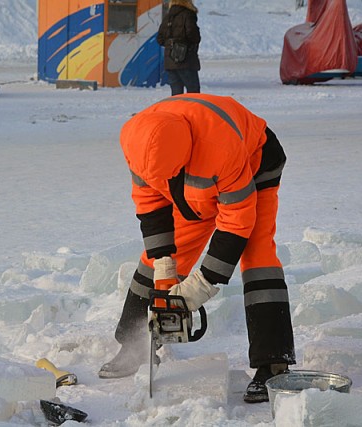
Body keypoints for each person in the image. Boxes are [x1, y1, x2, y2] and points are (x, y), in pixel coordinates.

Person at [98, 93, 296, 403]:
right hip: (193, 183)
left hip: (254, 164)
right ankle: (134, 343)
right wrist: (165, 268)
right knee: (159, 257)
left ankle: (273, 362)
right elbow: (151, 205)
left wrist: (203, 284)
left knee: (258, 256)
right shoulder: (137, 141)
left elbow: (236, 223)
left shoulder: (220, 150)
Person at [157, 0, 201, 96]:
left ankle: (177, 111)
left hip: (170, 61)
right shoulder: (188, 14)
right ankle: (191, 111)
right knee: (194, 92)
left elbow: (160, 39)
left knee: (176, 94)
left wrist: (171, 45)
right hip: (186, 59)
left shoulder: (168, 17)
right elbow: (193, 35)